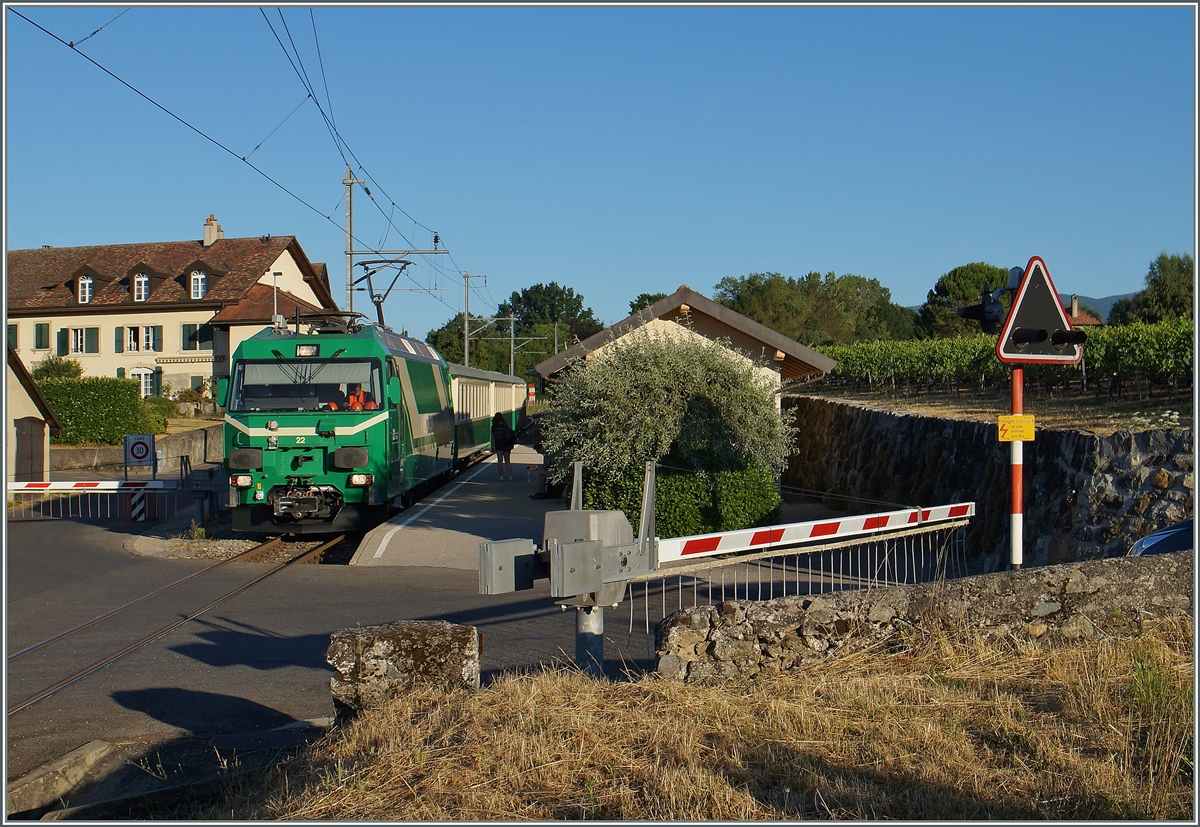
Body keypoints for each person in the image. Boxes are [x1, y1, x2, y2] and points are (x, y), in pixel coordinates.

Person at [491, 412, 517, 480]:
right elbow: (510, 432)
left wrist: (493, 446)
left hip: (498, 444)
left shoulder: (493, 427)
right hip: (506, 444)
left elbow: (493, 437)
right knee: (507, 461)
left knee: (500, 461)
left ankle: (501, 476)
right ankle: (510, 476)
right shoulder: (505, 425)